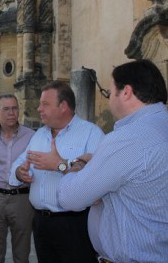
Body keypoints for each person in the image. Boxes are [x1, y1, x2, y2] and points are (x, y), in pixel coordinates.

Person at [57, 59, 168, 263]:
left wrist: (75, 169)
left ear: (126, 92)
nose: (109, 100)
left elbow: (70, 197)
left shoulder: (128, 138)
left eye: (109, 93)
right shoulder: (166, 127)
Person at [10, 81, 104, 263]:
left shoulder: (92, 134)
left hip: (75, 224)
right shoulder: (39, 135)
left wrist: (60, 165)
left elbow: (97, 180)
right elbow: (17, 165)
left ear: (63, 106)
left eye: (45, 104)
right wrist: (19, 172)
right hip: (41, 224)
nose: (39, 109)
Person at [0, 94, 35, 263]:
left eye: (15, 108)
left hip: (22, 199)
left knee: (22, 253)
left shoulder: (31, 136)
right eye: (6, 109)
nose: (11, 113)